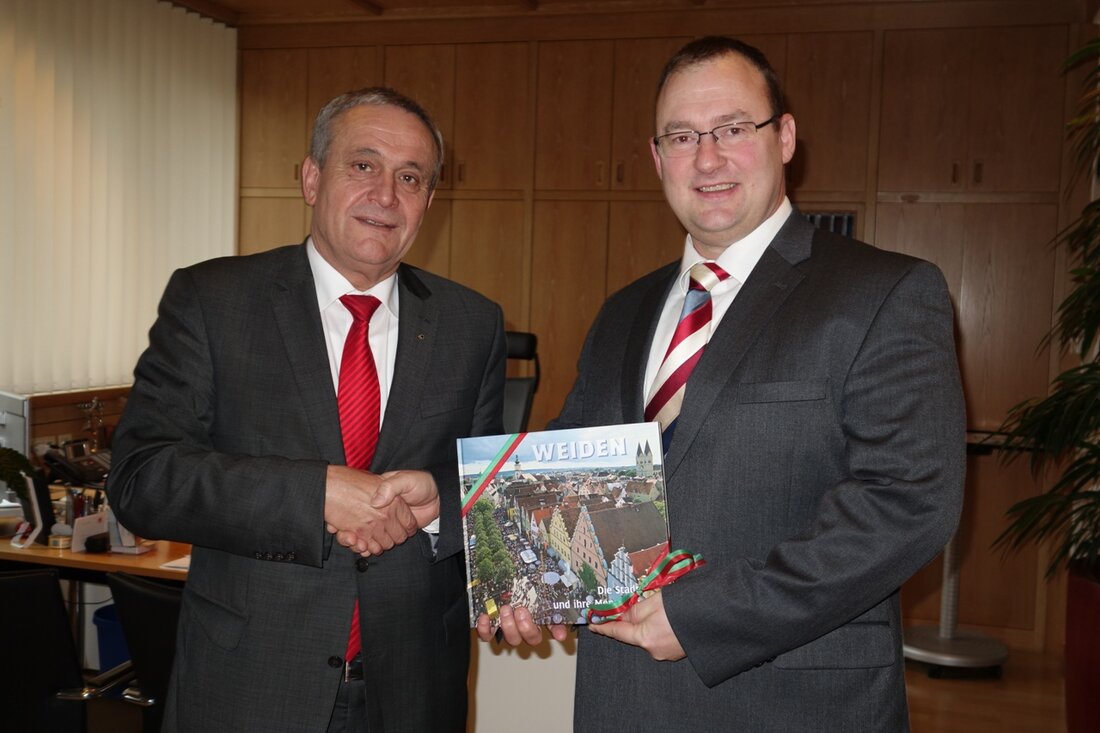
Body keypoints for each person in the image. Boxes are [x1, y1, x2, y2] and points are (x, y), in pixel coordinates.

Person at [479, 36, 965, 731]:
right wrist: (507, 564)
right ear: (656, 157)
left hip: (791, 701)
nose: (707, 158)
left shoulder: (884, 292)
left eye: (734, 128)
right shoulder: (624, 311)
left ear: (785, 137)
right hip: (622, 699)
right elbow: (571, 462)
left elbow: (908, 501)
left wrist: (705, 614)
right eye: (682, 136)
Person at [108, 87, 505, 732]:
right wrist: (314, 493)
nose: (386, 196)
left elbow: (488, 496)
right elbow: (142, 479)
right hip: (250, 688)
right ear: (312, 178)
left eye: (411, 178)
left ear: (430, 201)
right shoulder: (213, 301)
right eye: (364, 165)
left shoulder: (473, 324)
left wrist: (440, 499)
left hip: (413, 694)